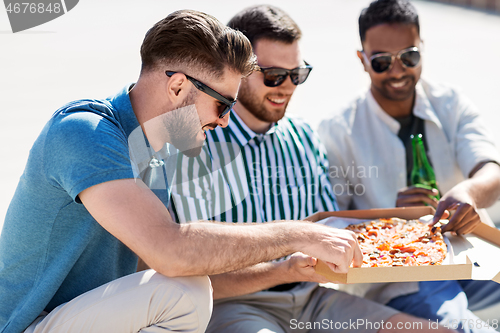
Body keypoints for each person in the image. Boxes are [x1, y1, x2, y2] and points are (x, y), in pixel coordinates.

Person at [0, 10, 369, 333]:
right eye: (222, 105)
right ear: (177, 86)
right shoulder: (85, 131)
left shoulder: (156, 154)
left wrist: (284, 269)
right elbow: (171, 251)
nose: (225, 122)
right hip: (29, 324)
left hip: (81, 318)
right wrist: (296, 234)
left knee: (186, 284)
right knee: (184, 292)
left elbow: (163, 263)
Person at [170, 5, 457, 333]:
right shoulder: (194, 142)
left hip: (316, 298)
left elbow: (333, 226)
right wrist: (285, 270)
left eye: (297, 74)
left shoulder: (304, 135)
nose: (288, 86)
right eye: (274, 76)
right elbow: (194, 275)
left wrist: (402, 224)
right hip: (236, 305)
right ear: (237, 71)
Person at [318, 0, 500, 331]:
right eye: (382, 61)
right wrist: (391, 219)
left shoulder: (451, 102)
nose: (398, 71)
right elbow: (330, 220)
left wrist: (469, 193)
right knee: (462, 326)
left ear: (423, 49)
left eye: (409, 57)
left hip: (469, 254)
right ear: (362, 61)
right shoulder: (338, 129)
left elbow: (491, 169)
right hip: (399, 278)